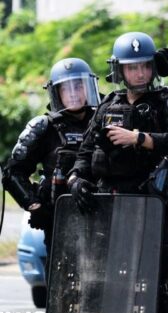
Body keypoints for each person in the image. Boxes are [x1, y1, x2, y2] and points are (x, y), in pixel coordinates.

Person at [67, 32, 168, 313]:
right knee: (113, 293)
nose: (138, 74)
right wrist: (77, 179)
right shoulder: (108, 104)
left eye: (144, 66)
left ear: (154, 68)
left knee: (154, 291)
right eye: (131, 68)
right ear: (119, 71)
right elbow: (85, 151)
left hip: (149, 206)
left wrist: (138, 138)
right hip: (110, 209)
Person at [2, 58, 100, 275]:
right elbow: (12, 172)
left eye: (78, 86)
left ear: (88, 87)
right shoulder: (43, 127)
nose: (73, 93)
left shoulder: (104, 122)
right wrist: (34, 204)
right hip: (58, 221)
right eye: (66, 88)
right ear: (57, 93)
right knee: (63, 282)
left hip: (103, 216)